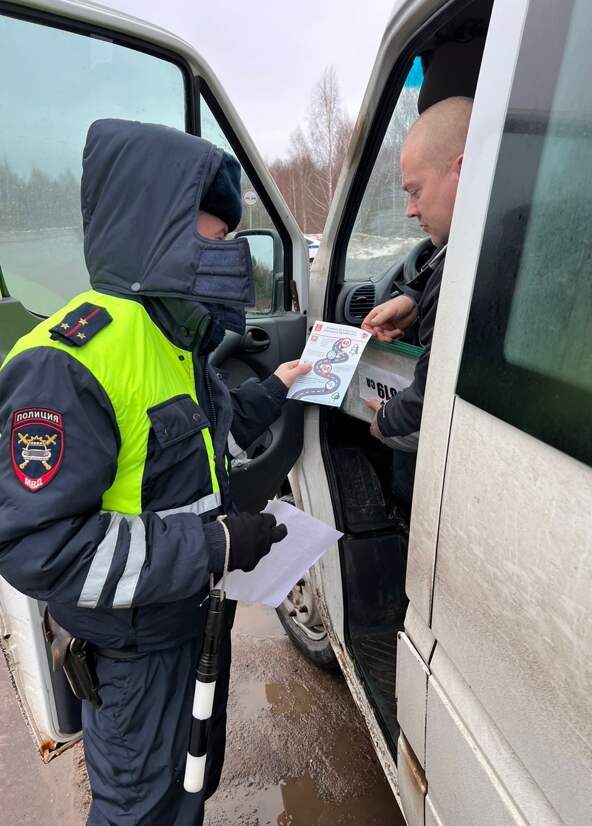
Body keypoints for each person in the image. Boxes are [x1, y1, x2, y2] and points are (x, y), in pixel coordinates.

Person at [0, 119, 311, 826]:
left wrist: (282, 385)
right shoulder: (70, 359)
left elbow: (202, 442)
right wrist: (215, 547)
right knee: (141, 812)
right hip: (134, 659)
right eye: (212, 234)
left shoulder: (177, 335)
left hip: (193, 625)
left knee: (190, 787)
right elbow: (35, 545)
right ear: (156, 225)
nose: (228, 251)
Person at [362, 97, 473, 450]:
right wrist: (414, 299)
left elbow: (430, 402)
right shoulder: (483, 242)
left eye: (415, 191)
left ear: (463, 171)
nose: (410, 210)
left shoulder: (460, 276)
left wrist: (384, 419)